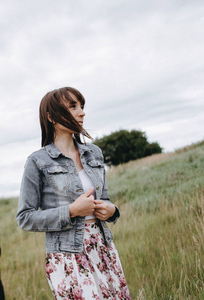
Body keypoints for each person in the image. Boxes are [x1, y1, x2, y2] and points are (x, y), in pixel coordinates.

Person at [16, 87, 131, 299]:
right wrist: (71, 211)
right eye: (72, 106)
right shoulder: (38, 161)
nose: (81, 112)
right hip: (68, 255)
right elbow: (24, 218)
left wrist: (112, 210)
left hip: (103, 247)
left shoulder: (94, 153)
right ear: (50, 116)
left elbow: (104, 200)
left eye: (81, 106)